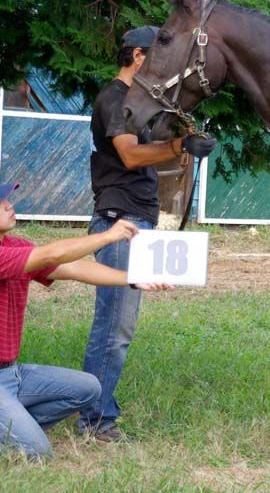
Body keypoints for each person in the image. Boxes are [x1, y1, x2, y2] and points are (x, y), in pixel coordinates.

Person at [81, 26, 216, 441]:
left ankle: (96, 414)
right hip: (120, 221)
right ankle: (95, 421)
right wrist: (179, 147)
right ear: (138, 56)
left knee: (119, 325)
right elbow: (129, 154)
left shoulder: (137, 103)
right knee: (114, 326)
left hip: (135, 218)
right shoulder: (114, 99)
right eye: (156, 57)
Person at [0, 182, 169, 460]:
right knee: (38, 452)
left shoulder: (16, 247)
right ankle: (17, 428)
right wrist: (108, 236)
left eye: (7, 199)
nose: (9, 205)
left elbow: (76, 267)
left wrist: (133, 279)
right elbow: (51, 254)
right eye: (1, 202)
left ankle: (15, 422)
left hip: (11, 374)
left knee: (88, 388)